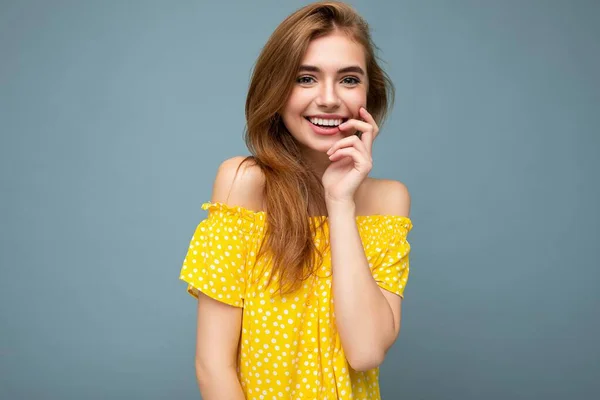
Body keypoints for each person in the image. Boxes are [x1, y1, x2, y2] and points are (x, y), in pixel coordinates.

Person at [179, 1, 413, 399]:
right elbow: (213, 366)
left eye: (348, 79)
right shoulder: (244, 183)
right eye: (306, 78)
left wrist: (340, 202)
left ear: (368, 94)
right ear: (277, 88)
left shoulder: (388, 200)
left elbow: (366, 351)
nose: (328, 99)